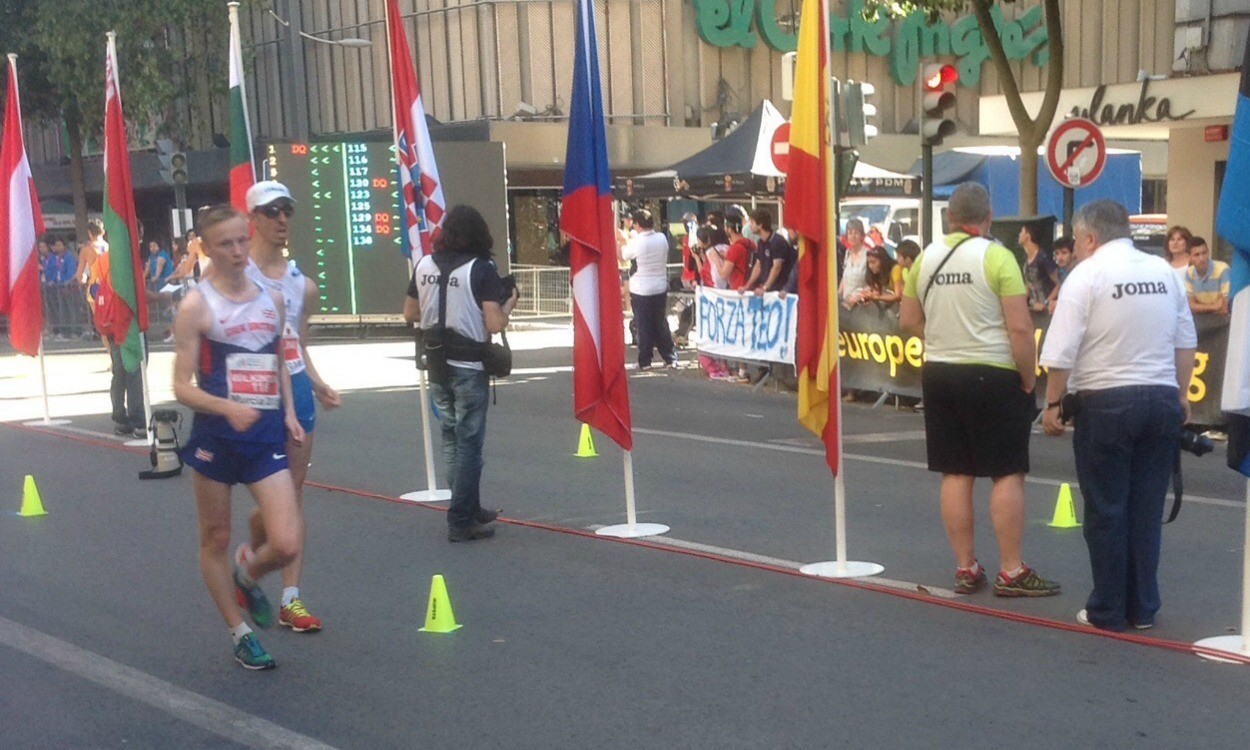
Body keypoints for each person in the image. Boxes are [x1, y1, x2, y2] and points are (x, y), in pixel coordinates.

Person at [1040, 199, 1195, 632]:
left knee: (1107, 510)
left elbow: (1060, 350)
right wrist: (1181, 396)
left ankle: (1108, 608)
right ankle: (1143, 607)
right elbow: (1186, 341)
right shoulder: (1164, 272)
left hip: (1106, 401)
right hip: (1161, 396)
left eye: (1075, 237)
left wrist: (1053, 405)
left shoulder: (1086, 275)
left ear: (1090, 237)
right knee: (1146, 510)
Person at [899, 182, 1060, 598]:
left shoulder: (926, 259)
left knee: (956, 471)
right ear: (988, 217)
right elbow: (1020, 327)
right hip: (992, 371)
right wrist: (1029, 377)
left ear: (950, 217)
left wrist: (943, 337)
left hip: (940, 371)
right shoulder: (997, 257)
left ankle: (966, 567)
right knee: (1007, 470)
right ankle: (1011, 570)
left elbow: (908, 320)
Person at [171, 204, 305, 670]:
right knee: (215, 536)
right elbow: (180, 387)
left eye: (241, 240)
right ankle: (240, 631)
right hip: (217, 438)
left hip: (265, 434)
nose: (237, 251)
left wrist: (289, 411)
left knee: (285, 543)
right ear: (206, 250)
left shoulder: (273, 297)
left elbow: (279, 358)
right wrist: (228, 407)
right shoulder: (196, 307)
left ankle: (247, 574)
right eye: (225, 244)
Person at [243, 181, 342, 632]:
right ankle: (257, 548)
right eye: (272, 211)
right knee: (269, 499)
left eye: (288, 210)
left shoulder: (305, 285)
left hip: (296, 386)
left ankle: (291, 599)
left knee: (295, 492)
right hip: (253, 391)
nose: (282, 219)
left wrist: (319, 384)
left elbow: (296, 343)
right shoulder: (236, 275)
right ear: (254, 218)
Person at [403, 205, 519, 542]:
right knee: (470, 443)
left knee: (451, 437)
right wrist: (509, 301)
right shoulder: (480, 269)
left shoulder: (424, 263)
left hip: (436, 362)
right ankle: (460, 518)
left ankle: (467, 505)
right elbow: (494, 323)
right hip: (468, 365)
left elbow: (410, 311)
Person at [621, 209, 678, 370]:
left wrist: (624, 240)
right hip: (659, 286)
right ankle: (670, 357)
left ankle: (645, 360)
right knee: (660, 322)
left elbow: (623, 255)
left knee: (644, 324)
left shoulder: (637, 241)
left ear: (637, 225)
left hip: (641, 289)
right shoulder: (662, 238)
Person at [748, 208, 796, 293]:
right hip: (768, 290)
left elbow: (776, 267)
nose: (749, 225)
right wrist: (747, 286)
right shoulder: (760, 242)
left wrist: (765, 287)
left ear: (760, 225)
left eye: (752, 222)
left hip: (779, 290)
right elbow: (758, 266)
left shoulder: (777, 242)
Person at [1019, 220, 1058, 314]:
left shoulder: (1043, 258)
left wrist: (1046, 302)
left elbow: (1059, 283)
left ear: (1027, 236)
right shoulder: (1027, 259)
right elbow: (1029, 284)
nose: (1019, 235)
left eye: (1021, 232)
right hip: (1033, 308)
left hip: (1047, 311)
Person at [1185, 237, 1230, 316]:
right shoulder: (1189, 273)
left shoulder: (1222, 269)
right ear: (1189, 257)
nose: (1202, 258)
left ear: (1208, 253)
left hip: (1223, 321)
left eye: (1204, 253)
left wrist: (1199, 308)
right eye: (1196, 255)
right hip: (1200, 321)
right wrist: (1214, 307)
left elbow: (1224, 307)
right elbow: (1190, 306)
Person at [839, 219, 870, 307]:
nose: (853, 236)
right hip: (846, 304)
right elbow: (844, 278)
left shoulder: (868, 255)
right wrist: (838, 296)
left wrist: (859, 296)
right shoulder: (847, 253)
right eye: (850, 233)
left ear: (862, 236)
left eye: (856, 233)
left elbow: (873, 283)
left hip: (862, 305)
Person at [1049, 237, 1076, 314]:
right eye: (1057, 253)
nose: (1059, 258)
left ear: (1073, 253)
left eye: (1064, 253)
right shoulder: (1061, 272)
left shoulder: (1078, 272)